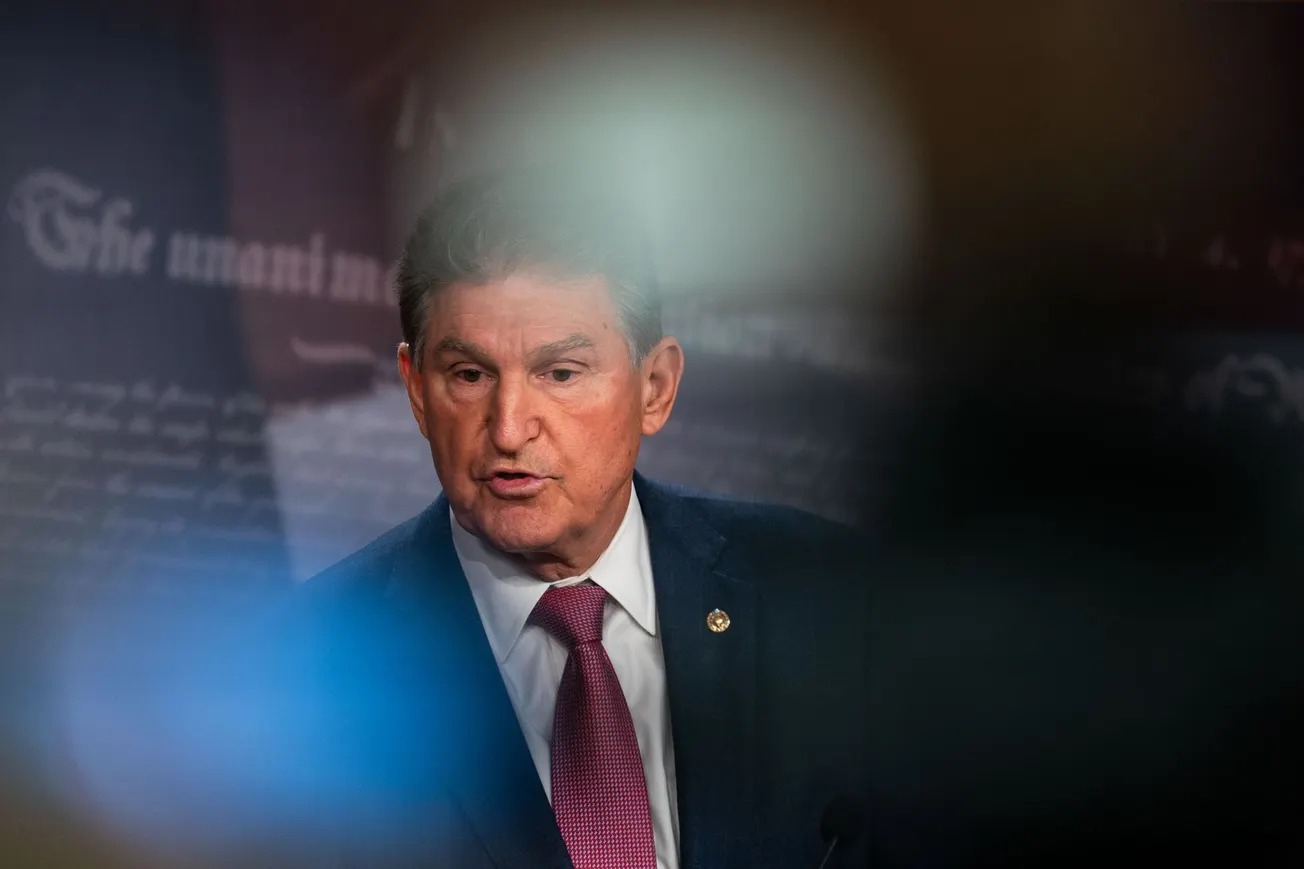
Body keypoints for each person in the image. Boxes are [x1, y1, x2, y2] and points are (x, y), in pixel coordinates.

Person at [289, 167, 873, 869]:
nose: (509, 429)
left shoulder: (833, 601)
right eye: (470, 375)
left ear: (655, 388)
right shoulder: (302, 670)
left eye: (560, 373)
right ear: (416, 390)